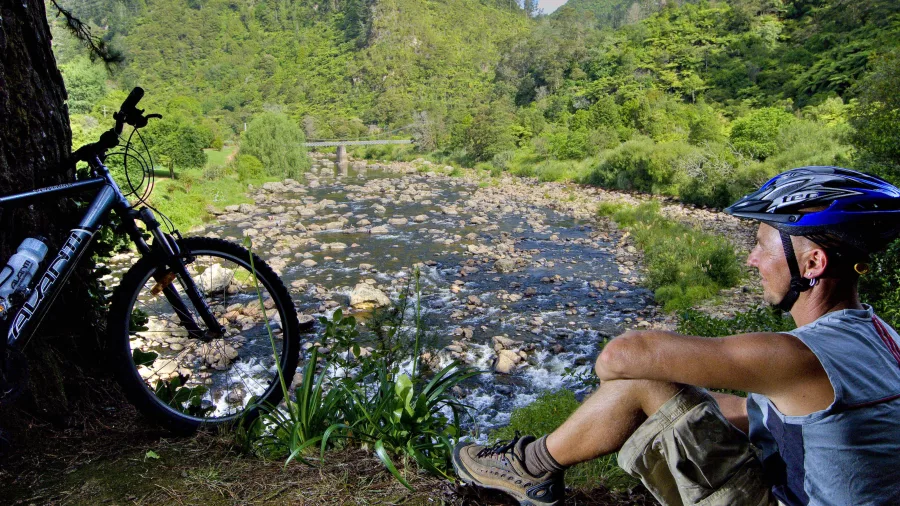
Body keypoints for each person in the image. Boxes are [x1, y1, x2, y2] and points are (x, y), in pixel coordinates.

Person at [452, 166, 900, 506]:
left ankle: (528, 468)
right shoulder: (883, 338)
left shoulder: (797, 356)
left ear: (813, 264)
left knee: (641, 375)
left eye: (762, 245)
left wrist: (645, 393)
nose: (751, 260)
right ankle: (533, 464)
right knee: (654, 388)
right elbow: (758, 412)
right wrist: (674, 401)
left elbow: (621, 356)